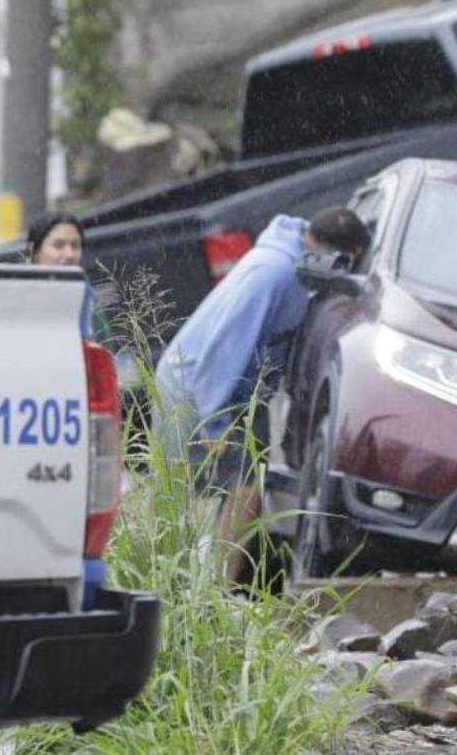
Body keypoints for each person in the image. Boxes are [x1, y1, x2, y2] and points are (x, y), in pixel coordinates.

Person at [153, 207, 371, 581]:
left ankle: (214, 587)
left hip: (238, 389)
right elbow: (225, 345)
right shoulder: (273, 272)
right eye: (341, 264)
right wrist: (215, 423)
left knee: (248, 488)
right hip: (199, 387)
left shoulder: (296, 267)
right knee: (189, 493)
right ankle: (185, 586)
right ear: (326, 253)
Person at [27, 212, 109, 342]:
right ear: (34, 251)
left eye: (75, 246)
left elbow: (106, 353)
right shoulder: (17, 295)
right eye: (58, 245)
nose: (70, 255)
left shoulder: (89, 301)